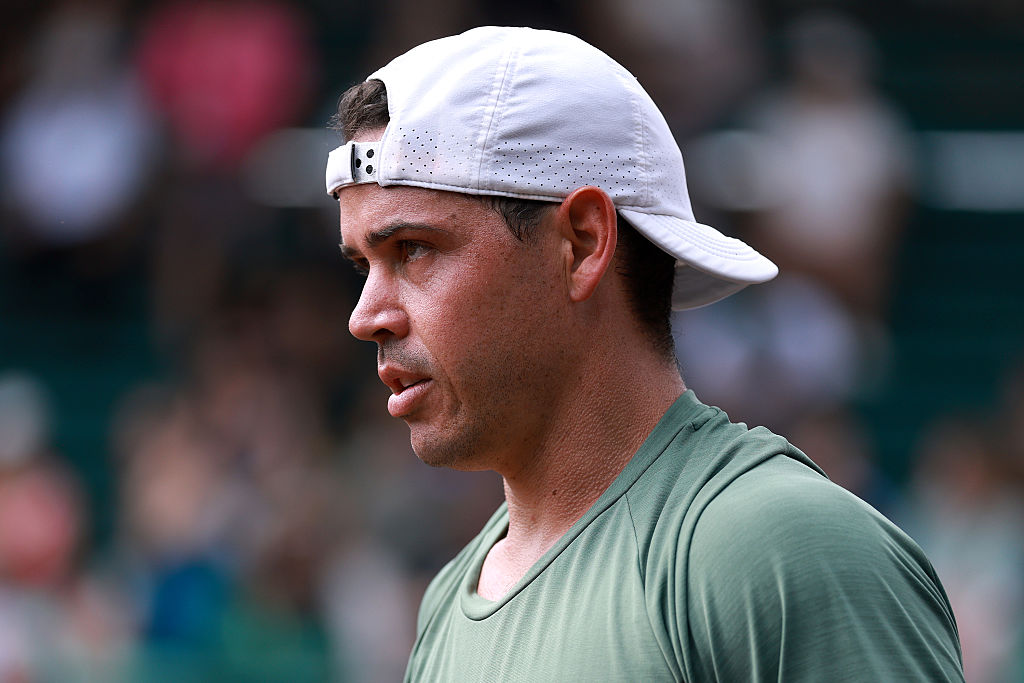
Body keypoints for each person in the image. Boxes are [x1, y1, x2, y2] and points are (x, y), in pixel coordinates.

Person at [324, 26, 964, 682]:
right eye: (363, 265)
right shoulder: (449, 602)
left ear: (580, 243)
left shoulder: (785, 550)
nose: (365, 316)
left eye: (414, 250)